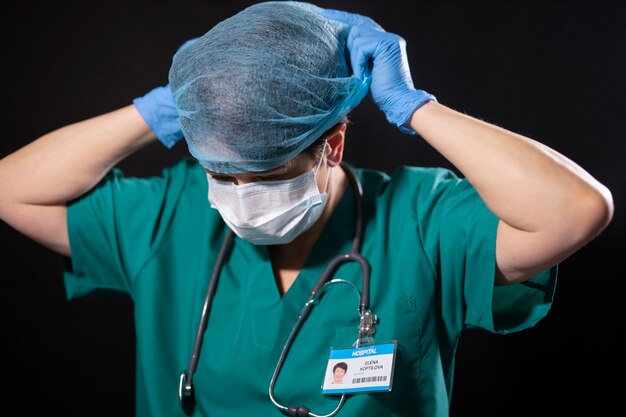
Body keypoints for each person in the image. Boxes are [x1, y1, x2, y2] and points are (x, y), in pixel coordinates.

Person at [0, 1, 614, 416]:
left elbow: (576, 209)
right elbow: (11, 187)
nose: (238, 197)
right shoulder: (172, 216)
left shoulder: (421, 221)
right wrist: (160, 109)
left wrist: (412, 106)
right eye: (218, 170)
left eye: (265, 173)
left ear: (333, 144)